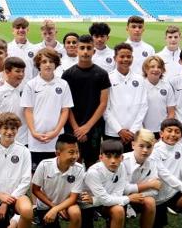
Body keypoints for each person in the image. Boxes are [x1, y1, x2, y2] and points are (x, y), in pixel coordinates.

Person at [83, 139, 152, 228]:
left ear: (122, 157)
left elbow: (116, 193)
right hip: (86, 206)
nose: (113, 161)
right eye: (108, 157)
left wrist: (97, 200)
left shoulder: (121, 167)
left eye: (117, 157)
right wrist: (129, 198)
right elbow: (107, 198)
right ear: (100, 157)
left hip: (98, 201)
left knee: (119, 210)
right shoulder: (93, 172)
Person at [30, 133, 85, 228]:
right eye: (71, 152)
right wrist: (53, 207)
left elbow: (73, 197)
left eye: (77, 152)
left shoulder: (79, 169)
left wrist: (57, 209)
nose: (75, 156)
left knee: (76, 212)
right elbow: (35, 190)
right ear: (58, 153)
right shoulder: (44, 165)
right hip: (47, 206)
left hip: (67, 204)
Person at [61, 35, 111, 167]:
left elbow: (103, 103)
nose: (85, 51)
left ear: (94, 51)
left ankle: (89, 187)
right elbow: (66, 105)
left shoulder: (102, 74)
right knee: (73, 160)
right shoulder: (68, 75)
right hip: (73, 126)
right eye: (82, 48)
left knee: (92, 162)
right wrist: (77, 128)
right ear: (76, 49)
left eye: (89, 48)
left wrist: (87, 127)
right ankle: (73, 187)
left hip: (94, 127)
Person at [21, 47, 73, 168]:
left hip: (56, 138)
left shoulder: (63, 84)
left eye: (51, 61)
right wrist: (34, 132)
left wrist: (55, 132)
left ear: (56, 64)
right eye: (44, 62)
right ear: (39, 65)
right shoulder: (31, 84)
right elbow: (28, 110)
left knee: (56, 171)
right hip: (36, 139)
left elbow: (65, 110)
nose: (48, 65)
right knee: (36, 173)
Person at [105, 44, 146, 148]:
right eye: (122, 56)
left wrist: (133, 130)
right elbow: (105, 108)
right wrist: (119, 130)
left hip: (135, 133)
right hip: (113, 132)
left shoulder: (139, 79)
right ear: (115, 58)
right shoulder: (107, 78)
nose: (125, 59)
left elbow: (143, 106)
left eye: (129, 56)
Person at [139, 56, 175, 134]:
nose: (156, 69)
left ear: (162, 70)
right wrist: (143, 130)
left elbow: (171, 112)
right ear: (146, 69)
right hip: (143, 131)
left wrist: (164, 131)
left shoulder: (167, 87)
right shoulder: (140, 86)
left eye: (159, 67)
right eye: (152, 67)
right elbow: (136, 111)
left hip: (162, 132)